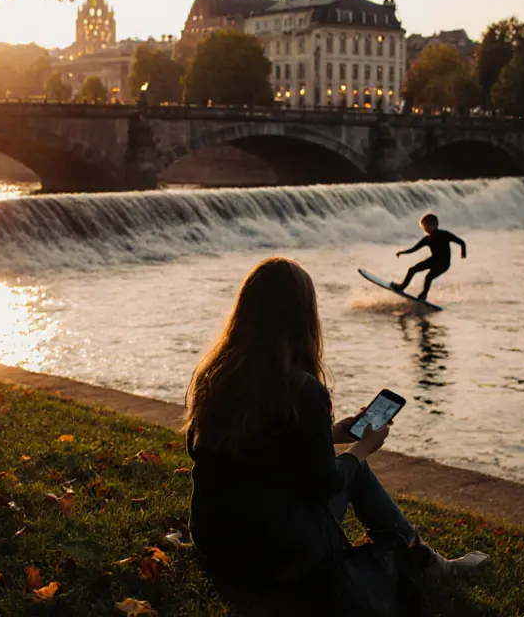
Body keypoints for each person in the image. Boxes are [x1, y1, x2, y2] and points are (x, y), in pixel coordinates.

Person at [185, 258, 482, 613]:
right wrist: (360, 451)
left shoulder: (214, 374)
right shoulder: (303, 390)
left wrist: (328, 434)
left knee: (347, 463)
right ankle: (428, 562)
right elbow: (323, 484)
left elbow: (246, 449)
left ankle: (424, 558)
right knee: (356, 470)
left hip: (216, 542)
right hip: (276, 556)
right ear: (302, 318)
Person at [391, 214, 466, 302]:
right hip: (433, 260)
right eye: (423, 227)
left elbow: (461, 242)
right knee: (412, 270)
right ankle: (401, 287)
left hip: (443, 263)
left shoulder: (444, 234)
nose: (424, 229)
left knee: (429, 277)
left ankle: (424, 295)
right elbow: (414, 249)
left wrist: (463, 253)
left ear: (433, 225)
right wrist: (402, 252)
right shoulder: (427, 239)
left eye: (425, 226)